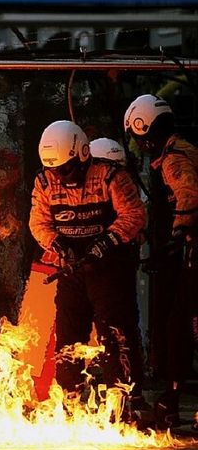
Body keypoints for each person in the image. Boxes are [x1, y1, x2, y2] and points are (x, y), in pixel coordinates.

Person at [29, 120, 148, 419]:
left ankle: (122, 406)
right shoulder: (44, 183)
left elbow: (134, 214)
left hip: (108, 269)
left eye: (67, 168)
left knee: (114, 334)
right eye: (55, 170)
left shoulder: (110, 177)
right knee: (68, 338)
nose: (61, 176)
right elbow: (38, 223)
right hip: (71, 272)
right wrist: (59, 247)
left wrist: (105, 243)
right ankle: (70, 404)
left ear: (82, 154)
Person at [123, 93, 198, 427]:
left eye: (137, 137)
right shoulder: (181, 151)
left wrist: (179, 233)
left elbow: (189, 196)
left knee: (185, 324)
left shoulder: (174, 160)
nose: (137, 144)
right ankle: (172, 396)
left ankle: (172, 398)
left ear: (146, 130)